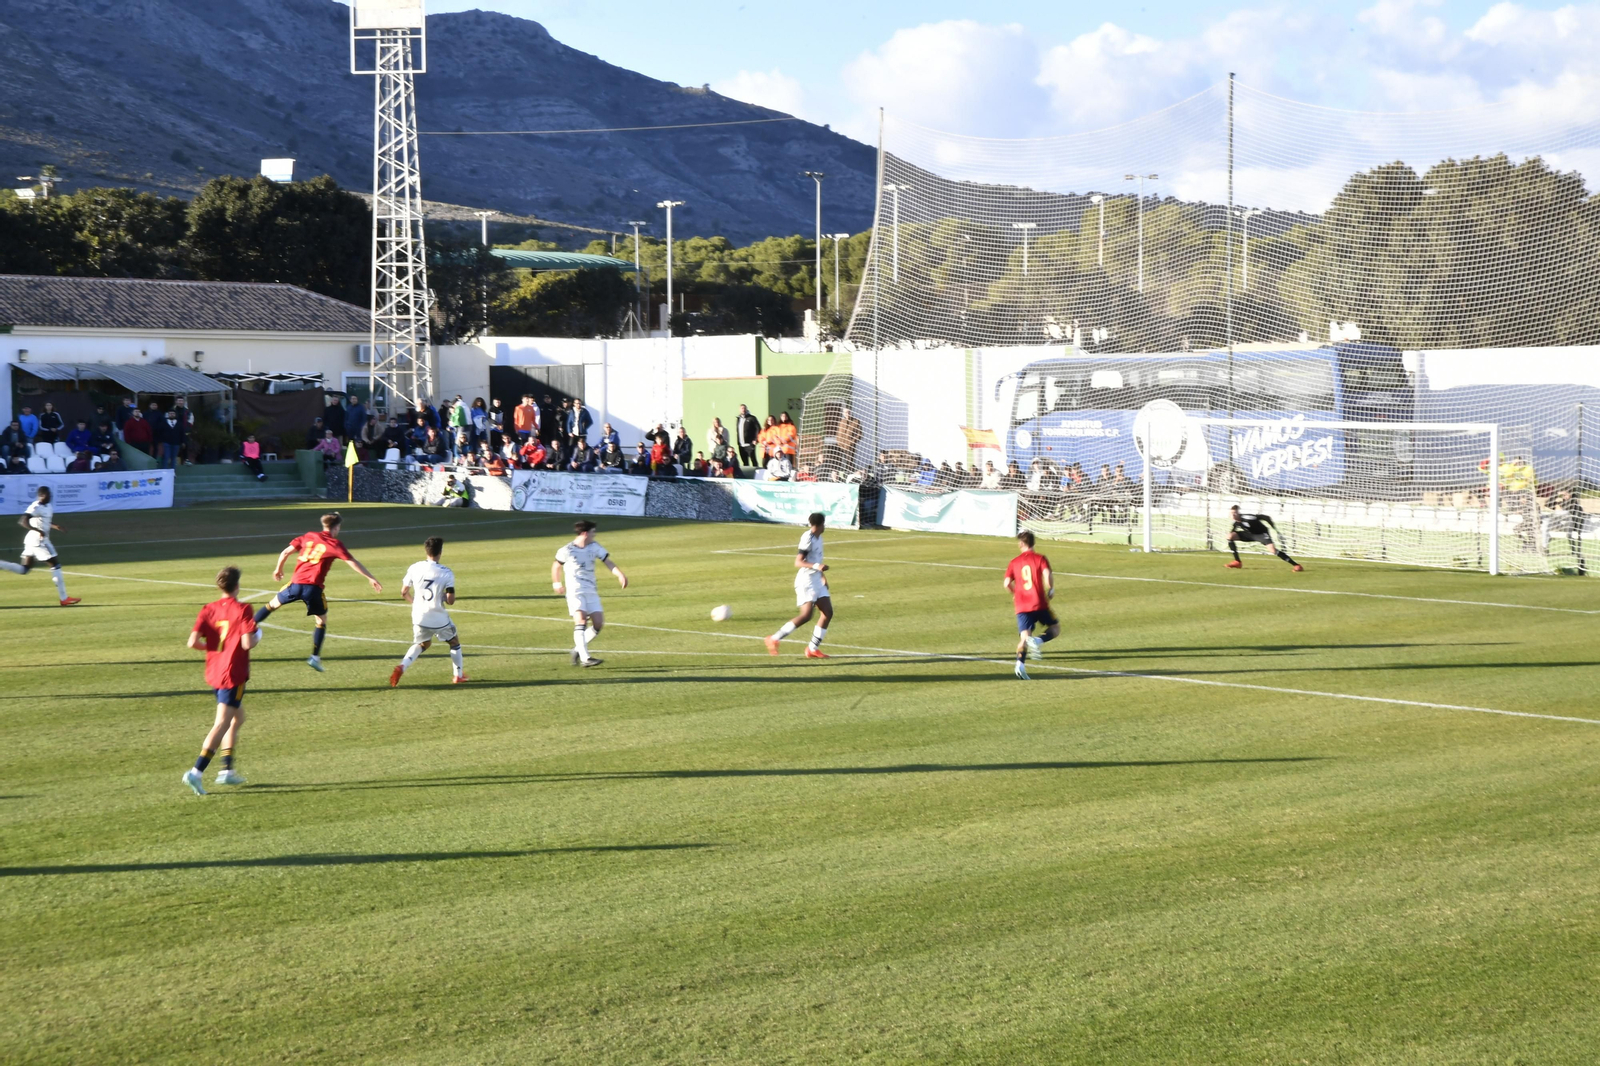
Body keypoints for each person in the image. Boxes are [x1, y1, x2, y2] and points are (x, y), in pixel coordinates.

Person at [253, 512, 383, 672]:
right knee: (321, 621)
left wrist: (278, 569)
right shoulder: (335, 544)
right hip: (313, 589)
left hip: (295, 584)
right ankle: (315, 657)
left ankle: (248, 626)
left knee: (272, 605)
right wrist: (370, 578)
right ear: (336, 527)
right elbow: (352, 562)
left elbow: (286, 552)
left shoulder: (308, 536)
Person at [181, 565, 261, 795]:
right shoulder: (243, 608)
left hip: (215, 671)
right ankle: (196, 772)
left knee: (238, 718)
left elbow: (192, 642)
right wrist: (258, 636)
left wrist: (215, 649)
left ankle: (227, 770)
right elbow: (247, 643)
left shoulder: (208, 609)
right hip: (233, 673)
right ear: (237, 586)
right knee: (222, 723)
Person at [390, 536, 468, 686]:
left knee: (423, 643)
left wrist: (415, 603)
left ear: (426, 551)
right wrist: (442, 596)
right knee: (454, 642)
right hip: (438, 616)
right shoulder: (446, 572)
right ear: (440, 552)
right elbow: (450, 600)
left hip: (419, 616)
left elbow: (404, 592)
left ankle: (403, 666)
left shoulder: (414, 567)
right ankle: (458, 675)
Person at [552, 519, 628, 668]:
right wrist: (557, 583)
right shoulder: (567, 550)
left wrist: (620, 575)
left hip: (591, 590)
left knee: (598, 623)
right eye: (593, 532)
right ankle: (585, 658)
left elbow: (607, 561)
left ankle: (577, 649)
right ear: (585, 533)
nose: (595, 534)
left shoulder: (594, 547)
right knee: (581, 621)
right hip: (575, 590)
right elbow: (556, 566)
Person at [765, 512, 833, 659]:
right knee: (806, 615)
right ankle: (774, 638)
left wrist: (822, 577)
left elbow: (817, 560)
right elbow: (798, 562)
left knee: (827, 612)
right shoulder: (808, 538)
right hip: (806, 582)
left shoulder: (819, 538)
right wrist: (817, 567)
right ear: (821, 524)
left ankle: (812, 649)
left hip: (816, 580)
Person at [0, 486, 81, 606]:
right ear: (41, 496)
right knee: (55, 565)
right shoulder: (36, 506)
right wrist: (38, 530)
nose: (50, 497)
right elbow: (23, 521)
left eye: (50, 495)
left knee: (24, 569)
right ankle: (64, 598)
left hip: (33, 540)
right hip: (38, 541)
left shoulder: (48, 506)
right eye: (47, 495)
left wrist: (55, 526)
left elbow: (45, 521)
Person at [1004, 530, 1060, 681]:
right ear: (1033, 543)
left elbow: (1007, 583)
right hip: (1039, 603)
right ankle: (1038, 641)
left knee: (1024, 638)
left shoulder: (1014, 562)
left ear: (1022, 544)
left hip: (1021, 605)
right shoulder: (1040, 558)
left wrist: (1015, 592)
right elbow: (1047, 574)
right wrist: (1051, 588)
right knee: (1055, 628)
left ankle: (1019, 665)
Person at [1226, 505, 1302, 571]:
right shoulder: (1235, 522)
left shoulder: (1248, 517)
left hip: (1261, 534)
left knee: (1273, 550)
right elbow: (1233, 531)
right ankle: (1237, 562)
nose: (1233, 515)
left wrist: (1274, 528)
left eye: (1235, 513)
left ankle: (1296, 565)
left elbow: (1265, 517)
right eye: (1231, 513)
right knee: (1230, 536)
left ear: (1238, 513)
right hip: (1250, 534)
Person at [735, 403, 761, 468]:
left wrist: (756, 439)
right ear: (739, 410)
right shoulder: (738, 419)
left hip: (749, 444)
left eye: (744, 408)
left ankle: (756, 472)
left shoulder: (752, 418)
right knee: (745, 462)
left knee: (753, 460)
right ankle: (747, 474)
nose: (743, 410)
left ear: (746, 409)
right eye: (742, 408)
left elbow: (758, 428)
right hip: (741, 445)